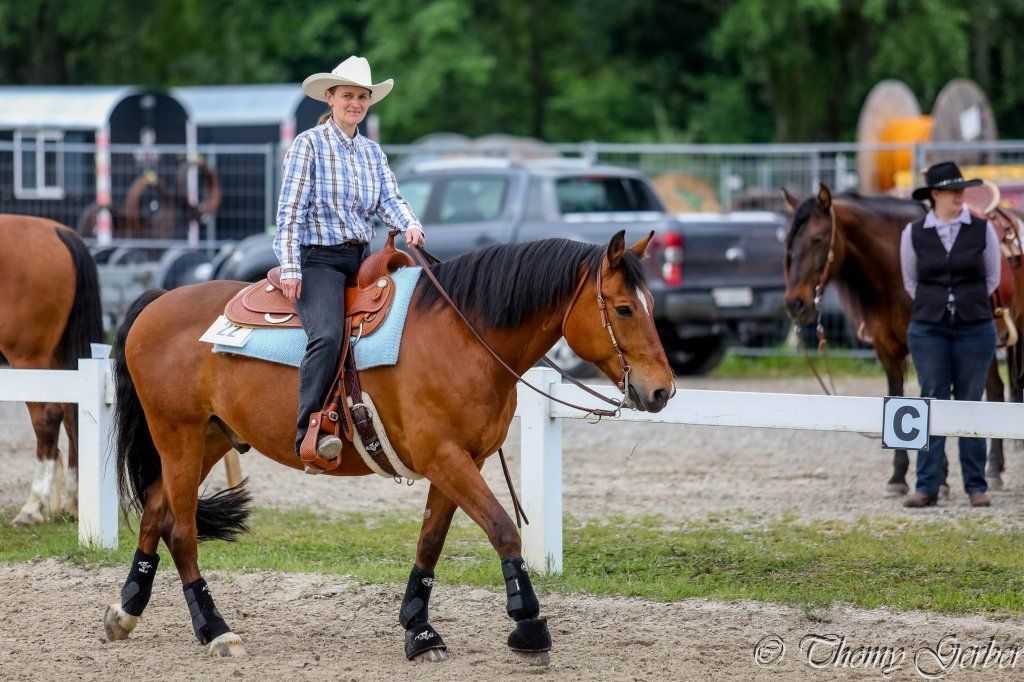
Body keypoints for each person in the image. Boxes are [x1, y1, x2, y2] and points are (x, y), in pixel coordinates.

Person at [274, 55, 425, 461]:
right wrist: (291, 267)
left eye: (362, 96)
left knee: (409, 322)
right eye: (347, 95)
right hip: (319, 261)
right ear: (330, 97)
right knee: (326, 335)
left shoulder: (372, 153)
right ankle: (309, 429)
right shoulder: (308, 145)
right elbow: (289, 212)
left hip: (361, 258)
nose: (355, 103)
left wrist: (409, 224)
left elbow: (389, 199)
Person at [900, 161, 1000, 508]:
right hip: (929, 325)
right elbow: (911, 282)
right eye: (953, 190)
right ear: (935, 195)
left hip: (975, 324)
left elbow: (992, 278)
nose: (960, 195)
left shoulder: (981, 228)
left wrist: (964, 303)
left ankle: (976, 484)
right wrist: (939, 303)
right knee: (931, 398)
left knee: (971, 398)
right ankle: (927, 483)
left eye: (962, 189)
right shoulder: (913, 233)